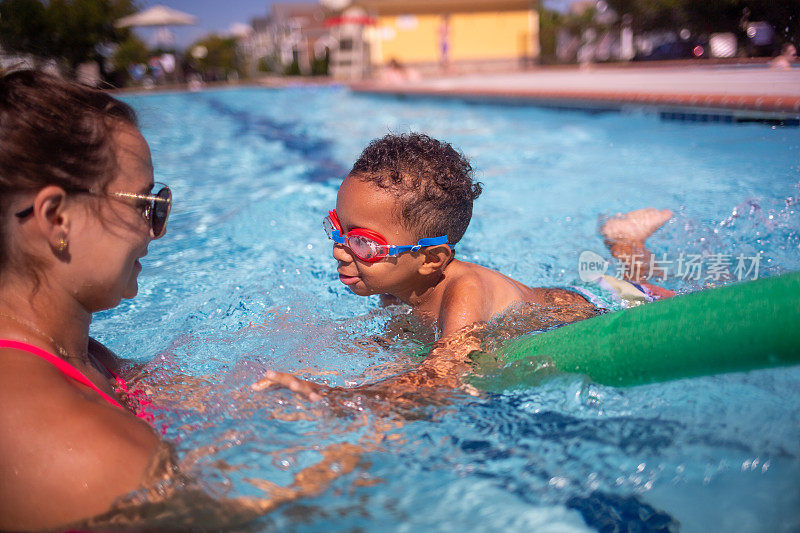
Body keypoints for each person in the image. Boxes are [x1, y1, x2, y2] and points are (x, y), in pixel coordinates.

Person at [0, 70, 353, 531]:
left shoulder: (83, 357)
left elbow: (178, 394)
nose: (155, 228)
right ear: (57, 218)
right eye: (143, 203)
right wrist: (349, 469)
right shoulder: (88, 449)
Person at [254, 133, 673, 397]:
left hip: (590, 307)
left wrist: (333, 397)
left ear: (431, 258)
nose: (340, 250)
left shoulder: (463, 293)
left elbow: (443, 380)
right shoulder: (393, 286)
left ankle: (626, 240)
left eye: (363, 242)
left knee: (635, 284)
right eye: (338, 229)